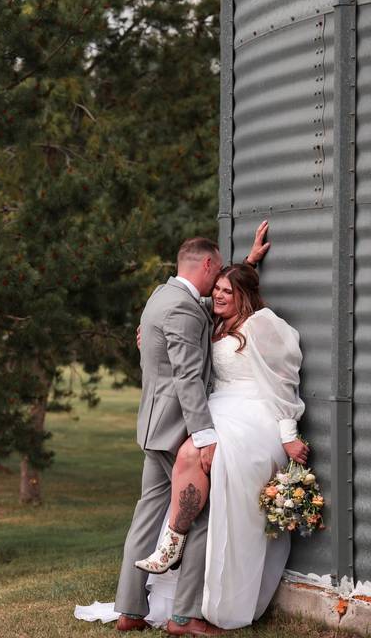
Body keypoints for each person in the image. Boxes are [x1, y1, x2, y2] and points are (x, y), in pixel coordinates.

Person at [111, 224, 270, 637]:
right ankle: (184, 617)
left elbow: (200, 315)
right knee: (198, 517)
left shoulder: (163, 297)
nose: (216, 284)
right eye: (216, 271)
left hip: (152, 426)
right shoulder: (181, 307)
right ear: (205, 264)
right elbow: (186, 378)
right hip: (174, 430)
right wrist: (205, 437)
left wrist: (248, 264)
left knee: (148, 516)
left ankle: (129, 609)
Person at [134, 262, 307, 631]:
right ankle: (177, 554)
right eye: (217, 290)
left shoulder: (261, 324)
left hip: (252, 413)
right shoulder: (212, 322)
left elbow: (284, 382)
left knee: (189, 452)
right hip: (219, 407)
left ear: (244, 294)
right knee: (189, 450)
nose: (219, 295)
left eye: (228, 291)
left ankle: (172, 542)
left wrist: (288, 432)